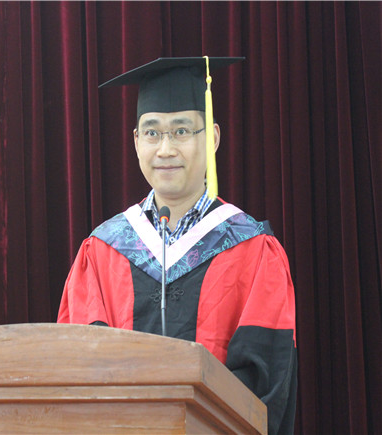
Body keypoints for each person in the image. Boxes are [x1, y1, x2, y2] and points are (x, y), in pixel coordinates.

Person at [57, 57, 297, 434]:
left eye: (181, 130)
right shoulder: (101, 251)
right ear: (136, 142)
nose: (165, 149)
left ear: (212, 138)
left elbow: (266, 383)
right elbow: (74, 371)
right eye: (152, 133)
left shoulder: (253, 250)